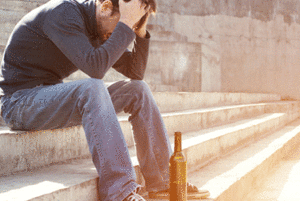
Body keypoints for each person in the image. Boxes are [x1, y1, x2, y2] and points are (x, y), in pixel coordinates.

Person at [0, 0, 210, 200]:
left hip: (50, 99)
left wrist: (139, 30)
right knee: (92, 86)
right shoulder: (64, 14)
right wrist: (126, 23)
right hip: (19, 103)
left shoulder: (100, 27)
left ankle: (163, 183)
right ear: (106, 7)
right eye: (121, 23)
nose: (118, 34)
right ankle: (119, 192)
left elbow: (134, 72)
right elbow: (95, 68)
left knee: (138, 89)